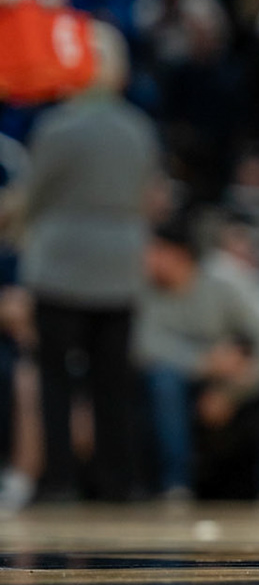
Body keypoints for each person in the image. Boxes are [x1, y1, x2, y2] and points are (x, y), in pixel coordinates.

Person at [14, 30, 159, 502]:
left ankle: (59, 482)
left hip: (60, 266)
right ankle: (120, 481)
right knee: (112, 382)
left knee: (55, 379)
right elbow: (147, 197)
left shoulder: (57, 128)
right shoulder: (139, 129)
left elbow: (34, 199)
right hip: (120, 267)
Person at [136, 215, 259, 500]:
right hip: (188, 381)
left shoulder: (223, 282)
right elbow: (143, 347)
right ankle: (176, 485)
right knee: (163, 380)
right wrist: (204, 362)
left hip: (236, 380)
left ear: (177, 254)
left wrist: (232, 392)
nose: (144, 259)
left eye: (152, 250)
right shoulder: (146, 293)